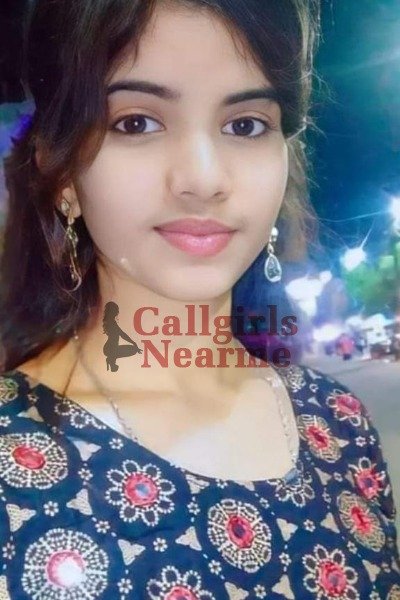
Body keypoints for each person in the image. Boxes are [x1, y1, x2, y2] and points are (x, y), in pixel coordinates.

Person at [0, 1, 399, 598]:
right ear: (63, 179)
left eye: (245, 125)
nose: (204, 179)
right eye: (137, 122)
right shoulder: (13, 459)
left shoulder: (339, 425)